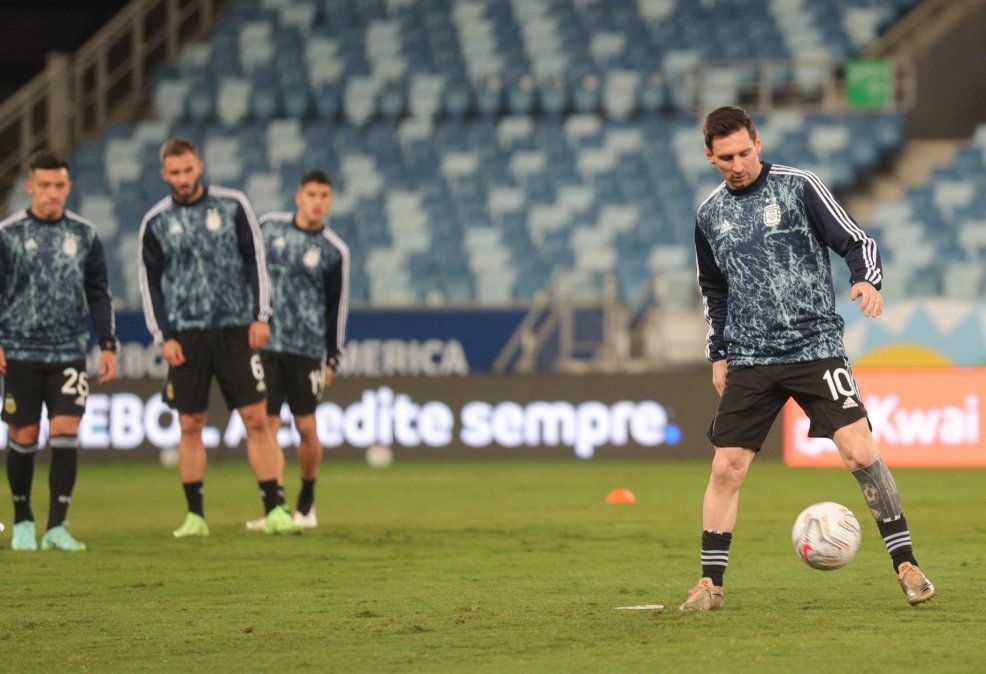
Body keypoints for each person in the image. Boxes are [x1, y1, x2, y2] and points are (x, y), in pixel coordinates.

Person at [681, 106, 935, 611]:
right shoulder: (709, 216)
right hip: (751, 357)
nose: (738, 164)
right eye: (726, 157)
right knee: (726, 467)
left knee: (861, 452)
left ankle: (907, 565)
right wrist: (719, 354)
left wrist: (865, 278)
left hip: (815, 347)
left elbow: (856, 240)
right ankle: (710, 585)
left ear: (758, 141)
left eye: (745, 152)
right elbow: (713, 290)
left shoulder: (799, 186)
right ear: (709, 156)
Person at [138, 138, 299, 537]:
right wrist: (163, 335)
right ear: (164, 174)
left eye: (188, 170)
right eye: (174, 172)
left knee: (256, 418)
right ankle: (195, 516)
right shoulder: (156, 221)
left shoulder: (232, 205)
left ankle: (275, 508)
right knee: (190, 424)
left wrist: (261, 316)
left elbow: (255, 261)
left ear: (200, 166)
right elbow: (150, 285)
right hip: (186, 335)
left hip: (234, 330)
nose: (182, 178)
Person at [0, 150, 118, 551]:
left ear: (68, 187)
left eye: (59, 185)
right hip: (20, 349)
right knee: (25, 433)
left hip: (69, 350)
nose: (52, 193)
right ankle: (22, 521)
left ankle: (57, 526)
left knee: (66, 430)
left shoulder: (84, 235)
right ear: (30, 186)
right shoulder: (8, 234)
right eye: (44, 185)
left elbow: (99, 293)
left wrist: (106, 344)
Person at [245, 170, 349, 531]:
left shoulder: (335, 251)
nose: (317, 201)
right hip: (267, 345)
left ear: (330, 200)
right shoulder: (269, 228)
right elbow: (247, 272)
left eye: (324, 195)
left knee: (306, 425)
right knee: (267, 424)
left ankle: (307, 497)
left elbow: (337, 307)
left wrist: (333, 357)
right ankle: (274, 504)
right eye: (311, 194)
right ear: (298, 197)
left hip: (307, 349)